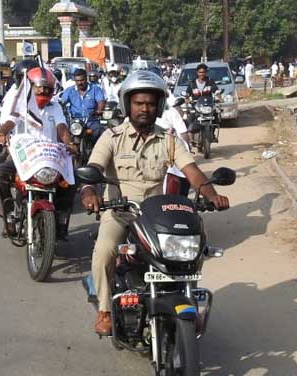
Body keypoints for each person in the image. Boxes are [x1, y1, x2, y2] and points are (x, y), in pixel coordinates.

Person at [80, 71, 230, 335]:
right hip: (119, 212)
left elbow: (191, 170)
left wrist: (211, 194)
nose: (144, 109)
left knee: (193, 246)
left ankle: (186, 294)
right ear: (128, 105)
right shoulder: (111, 137)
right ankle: (105, 310)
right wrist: (90, 192)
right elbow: (93, 168)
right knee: (104, 250)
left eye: (150, 103)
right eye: (139, 103)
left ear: (159, 106)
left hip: (155, 215)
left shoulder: (168, 139)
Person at [0, 67, 79, 237]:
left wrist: (70, 143)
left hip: (50, 156)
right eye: (39, 87)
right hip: (22, 156)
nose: (43, 91)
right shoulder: (20, 106)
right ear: (31, 88)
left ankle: (61, 219)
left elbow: (62, 128)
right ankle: (8, 216)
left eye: (47, 88)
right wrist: (2, 132)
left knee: (72, 181)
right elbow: (10, 121)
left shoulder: (55, 108)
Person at [59, 68, 106, 140]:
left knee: (100, 131)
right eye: (77, 81)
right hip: (75, 121)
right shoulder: (69, 90)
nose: (80, 83)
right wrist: (60, 109)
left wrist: (99, 110)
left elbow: (101, 101)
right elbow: (62, 102)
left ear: (86, 79)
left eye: (82, 80)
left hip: (91, 121)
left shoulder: (95, 89)